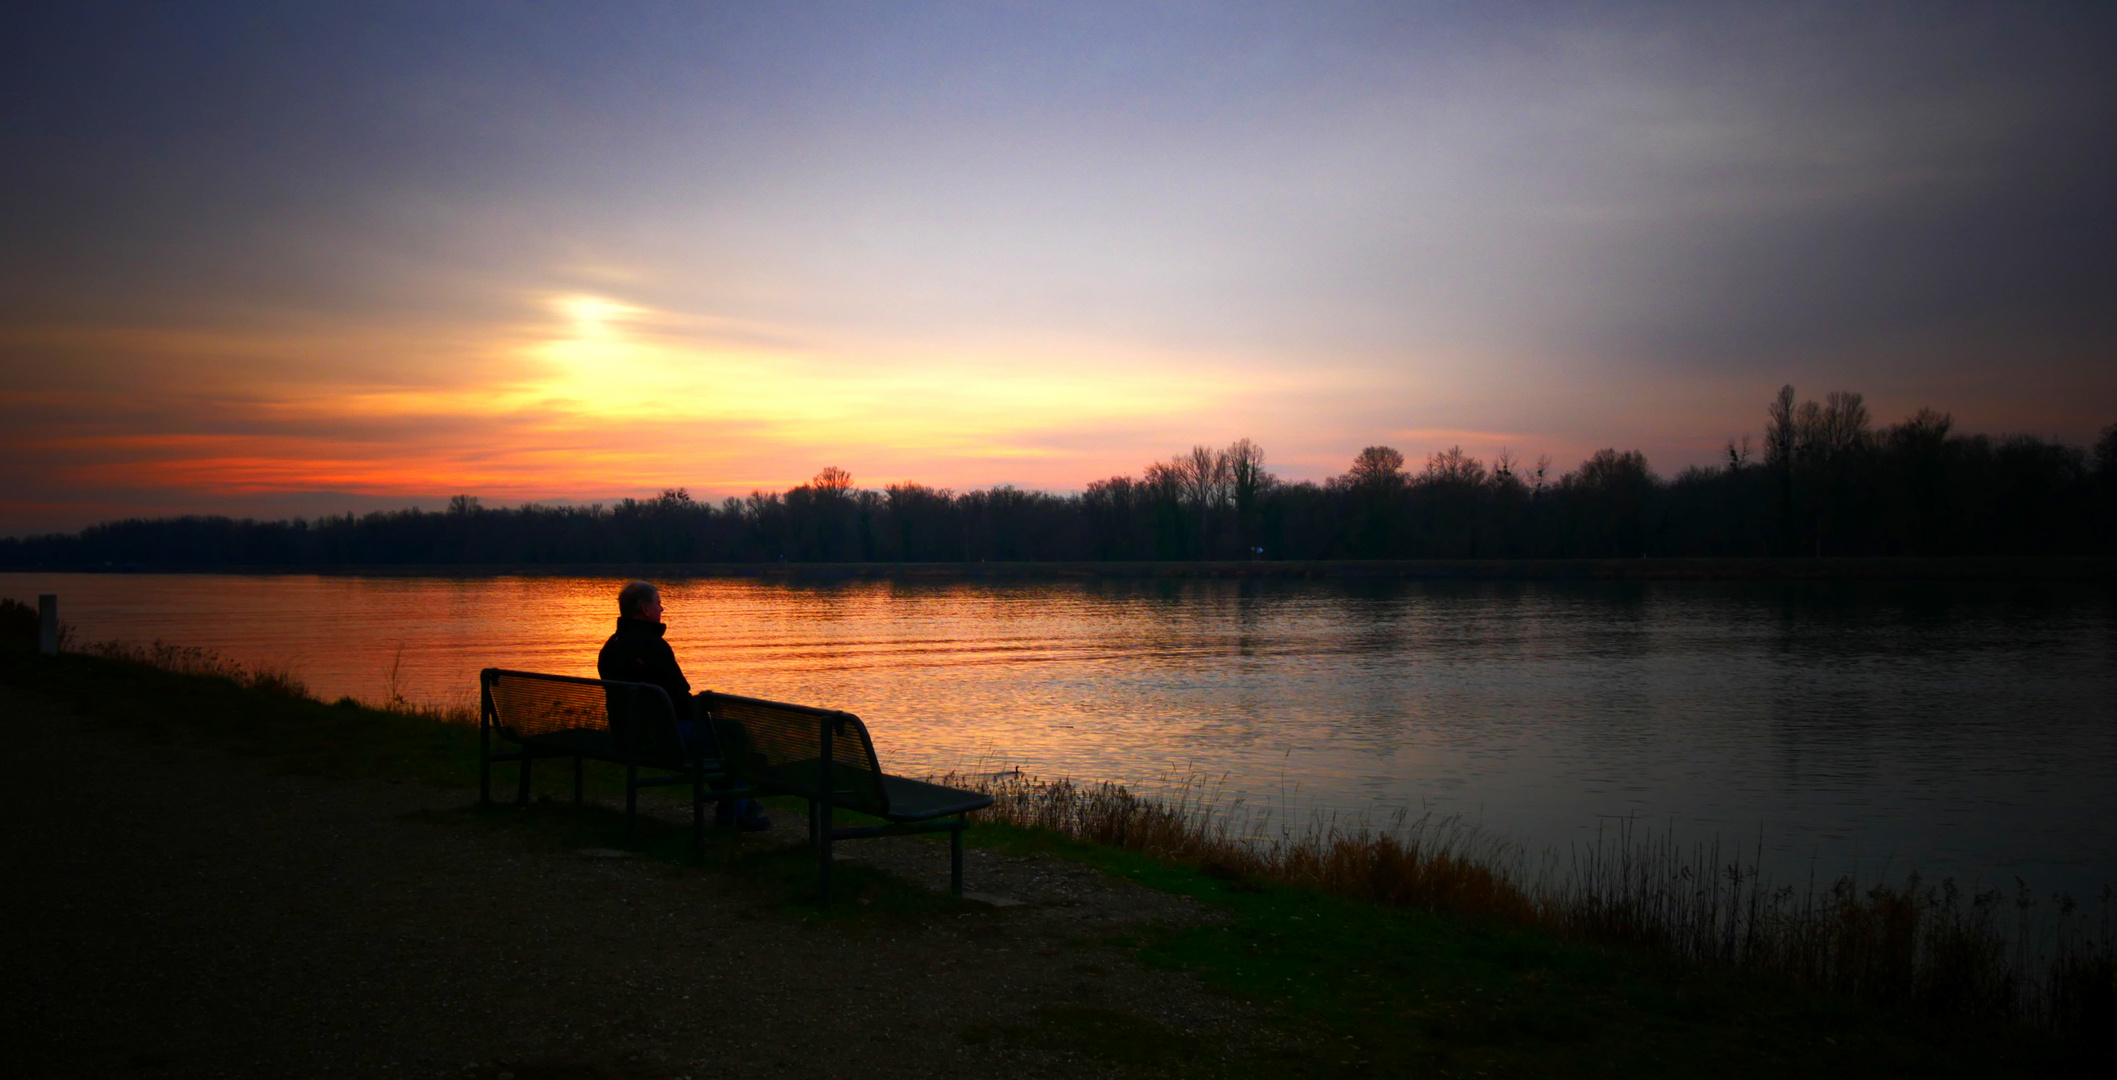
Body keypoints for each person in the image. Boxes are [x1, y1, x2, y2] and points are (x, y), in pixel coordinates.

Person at [597, 581, 769, 831]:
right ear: (645, 609)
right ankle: (736, 811)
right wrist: (703, 712)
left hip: (627, 734)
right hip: (662, 737)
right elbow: (679, 696)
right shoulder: (653, 646)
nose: (662, 608)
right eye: (658, 603)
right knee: (731, 733)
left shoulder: (611, 647)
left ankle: (738, 802)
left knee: (718, 735)